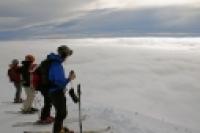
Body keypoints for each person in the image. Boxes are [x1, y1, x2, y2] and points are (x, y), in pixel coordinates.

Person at [48, 45, 77, 133]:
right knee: (61, 114)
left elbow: (58, 80)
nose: (67, 57)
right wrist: (69, 79)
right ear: (64, 54)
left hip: (55, 92)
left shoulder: (56, 63)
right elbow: (59, 83)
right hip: (56, 92)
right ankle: (57, 131)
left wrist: (68, 78)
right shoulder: (56, 65)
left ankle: (59, 129)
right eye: (67, 55)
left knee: (61, 113)